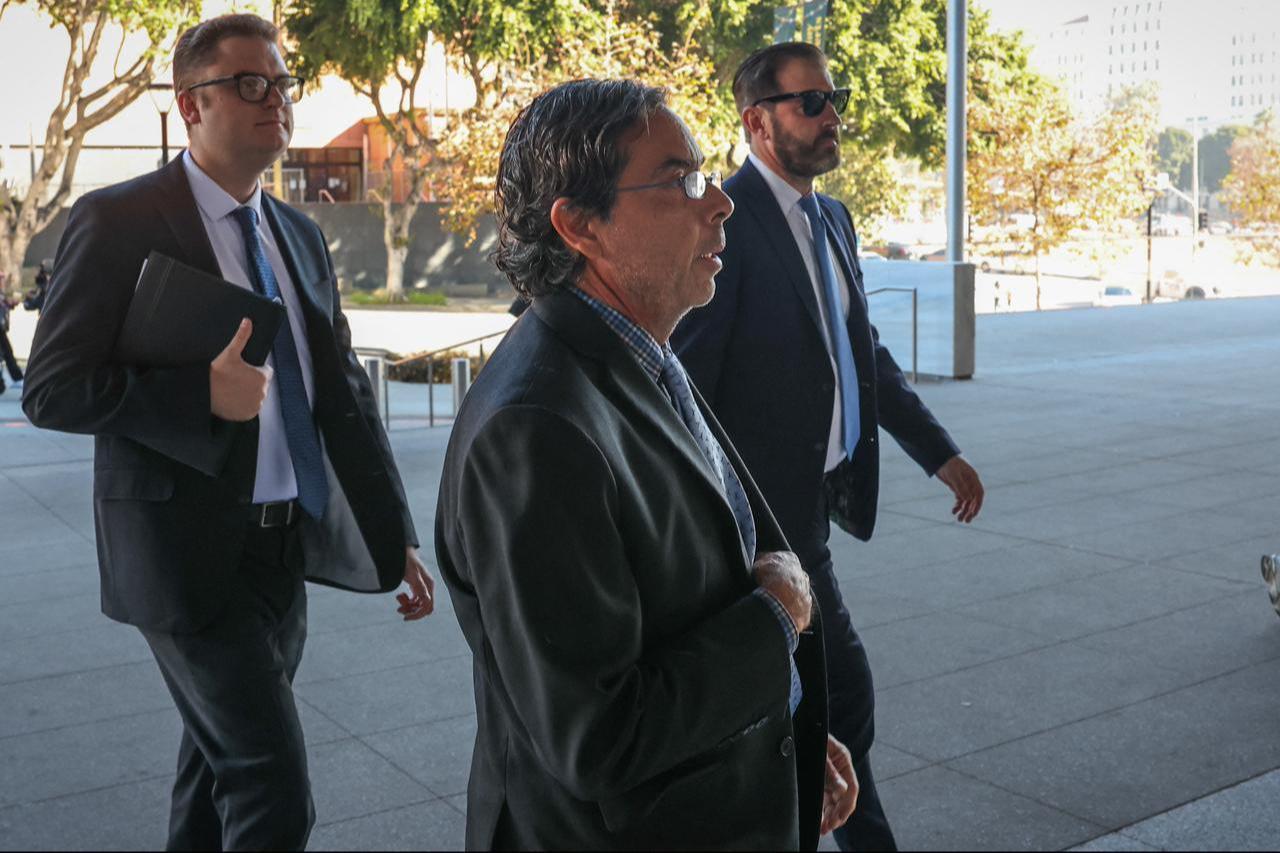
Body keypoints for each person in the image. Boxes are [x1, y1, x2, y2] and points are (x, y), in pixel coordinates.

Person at [21, 14, 435, 850]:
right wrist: (197, 394)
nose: (273, 99)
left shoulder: (298, 234)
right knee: (271, 787)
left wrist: (393, 534)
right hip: (180, 553)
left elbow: (343, 395)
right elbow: (51, 388)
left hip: (281, 550)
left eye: (281, 84)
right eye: (249, 83)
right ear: (189, 105)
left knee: (215, 778)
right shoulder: (118, 221)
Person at [435, 78, 859, 850]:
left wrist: (785, 722)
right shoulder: (535, 428)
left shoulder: (641, 350)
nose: (720, 201)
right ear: (580, 226)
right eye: (681, 180)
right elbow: (598, 736)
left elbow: (686, 606)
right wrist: (776, 622)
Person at [672, 42, 986, 852]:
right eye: (810, 103)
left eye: (832, 97)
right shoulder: (725, 222)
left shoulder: (833, 217)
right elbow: (691, 385)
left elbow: (862, 352)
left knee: (827, 702)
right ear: (757, 121)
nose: (832, 115)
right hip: (763, 523)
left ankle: (829, 819)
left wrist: (935, 449)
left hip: (814, 504)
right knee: (839, 695)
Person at [0, 273, 22, 395]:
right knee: (7, 354)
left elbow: (5, 305)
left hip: (1, 328)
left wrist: (12, 304)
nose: (2, 282)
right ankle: (16, 378)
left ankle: (17, 378)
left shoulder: (2, 294)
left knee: (7, 353)